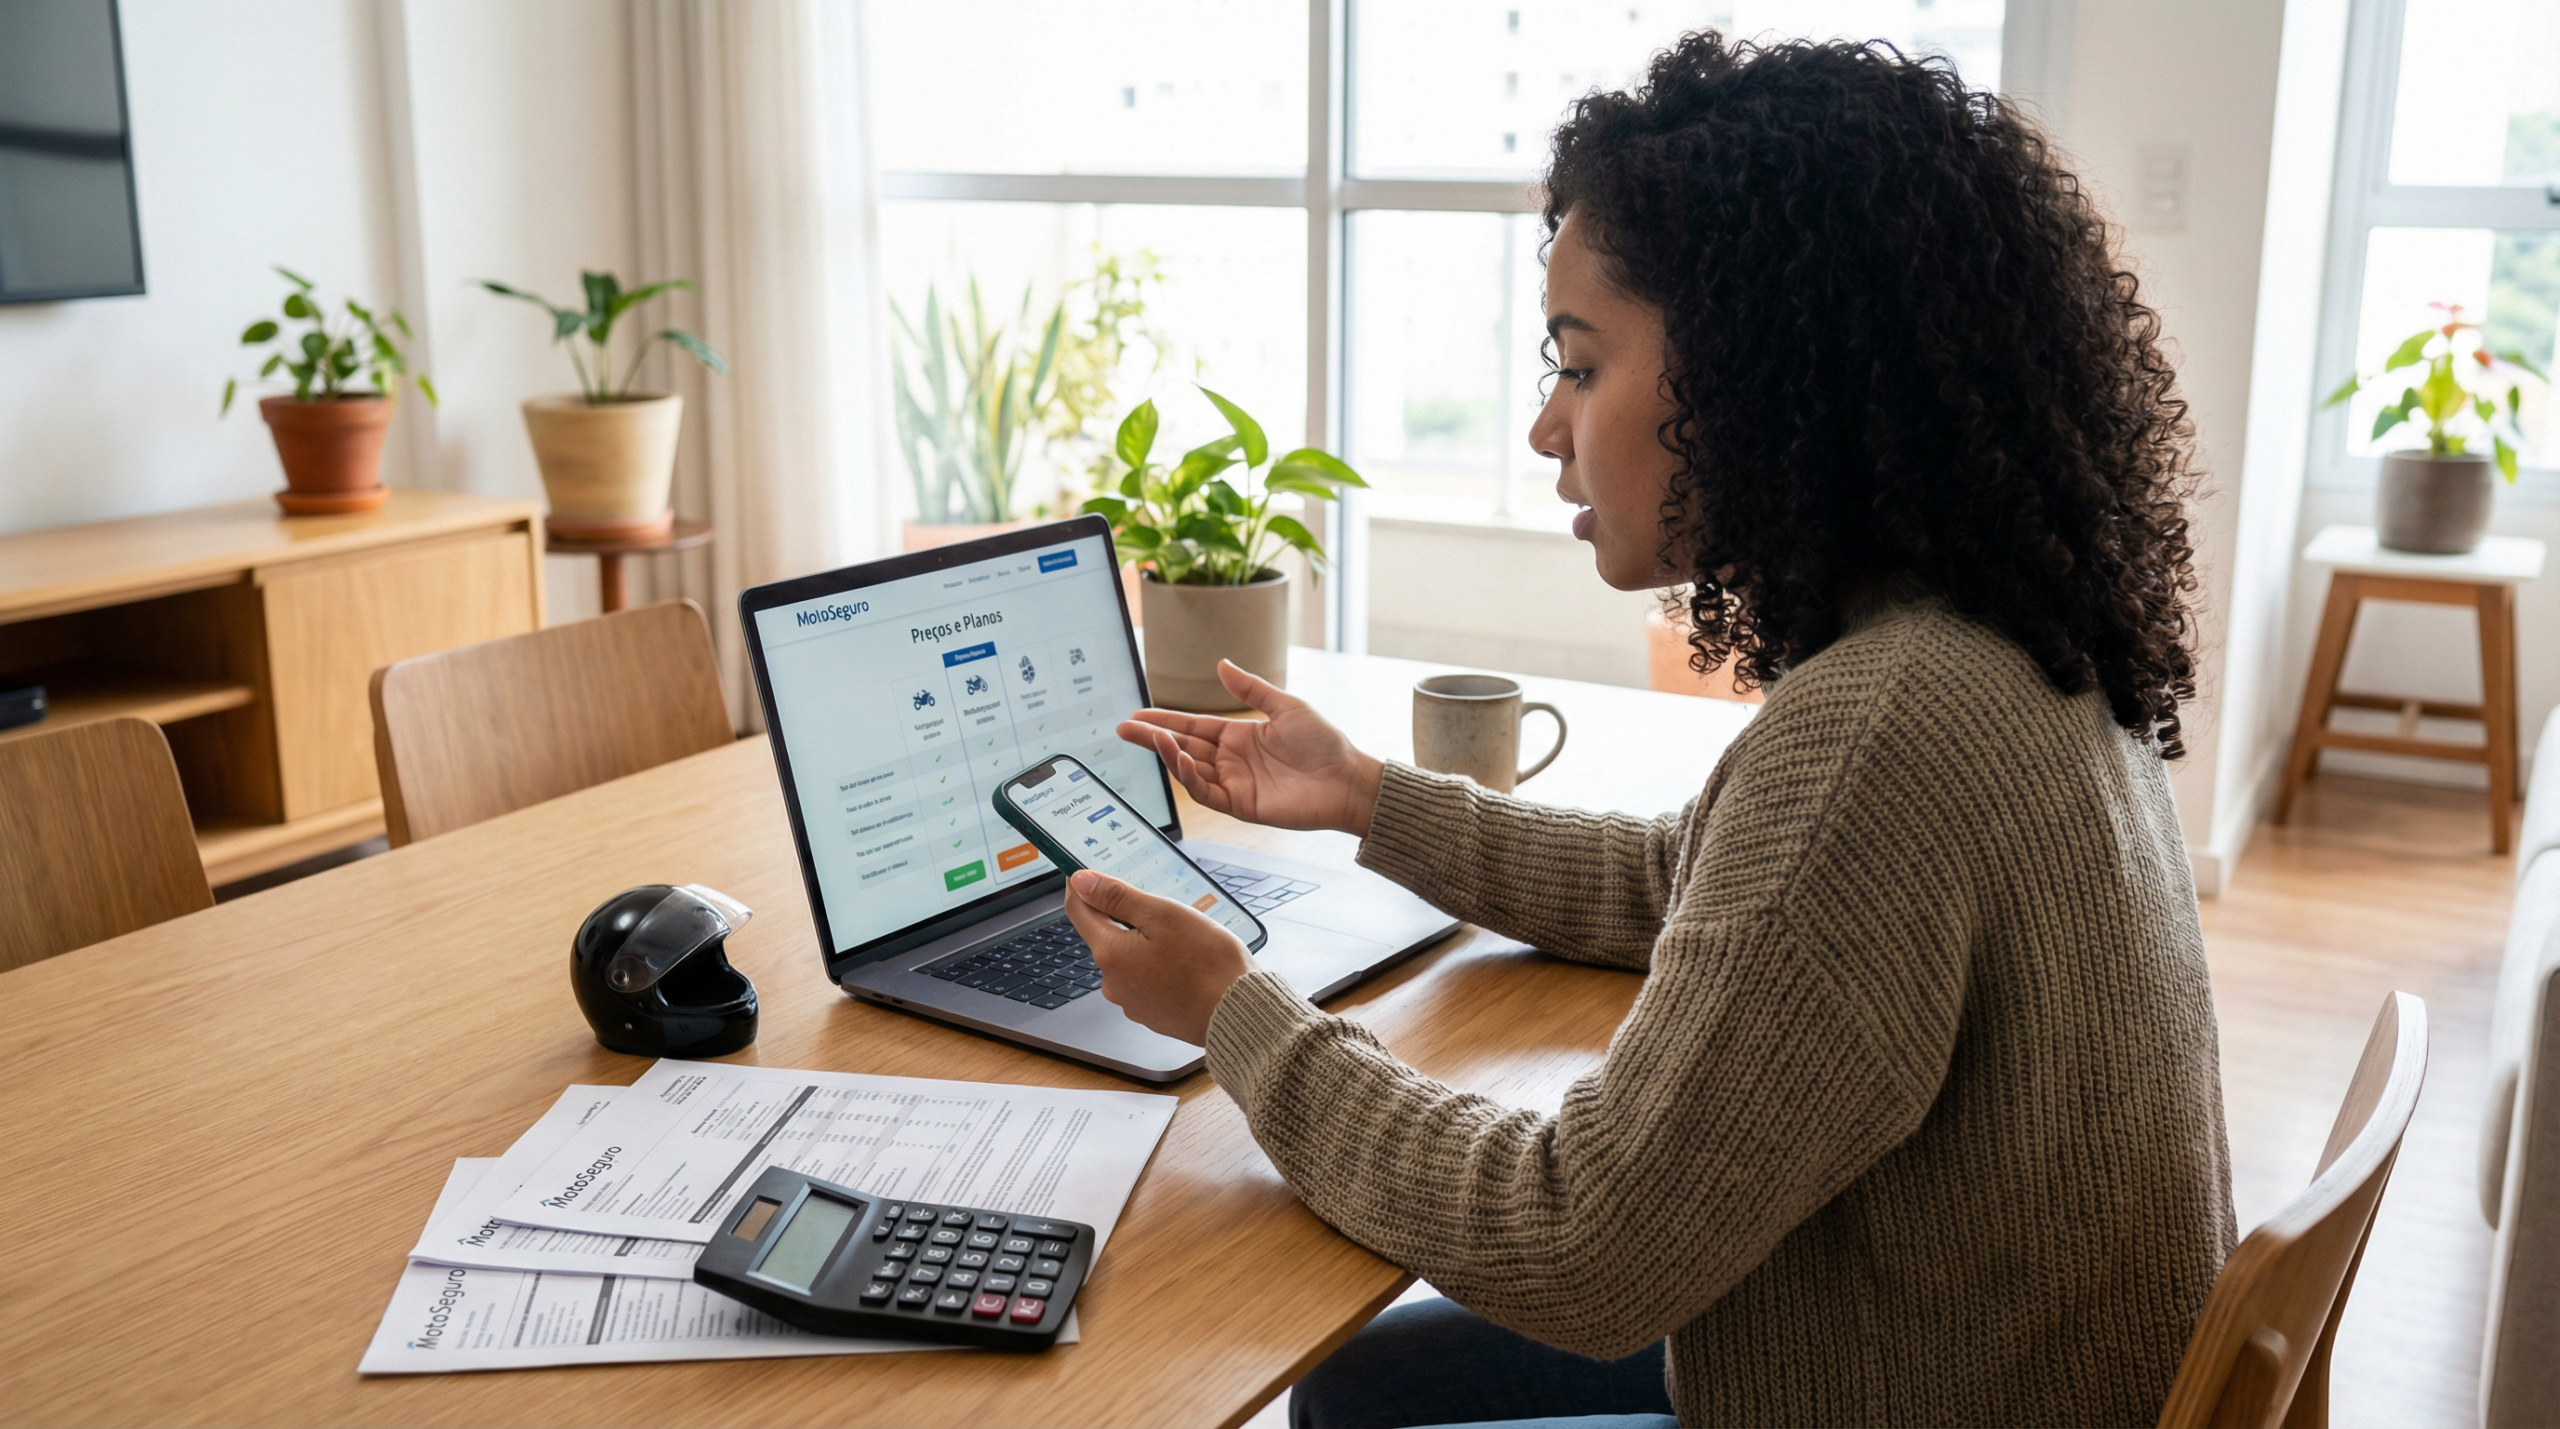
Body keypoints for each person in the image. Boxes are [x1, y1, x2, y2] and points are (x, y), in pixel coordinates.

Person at [1061, 32, 2234, 1429]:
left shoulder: (1883, 735)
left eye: (1582, 362)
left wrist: (1236, 1015)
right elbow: (1696, 880)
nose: (1548, 424)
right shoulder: (1993, 643)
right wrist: (1371, 796)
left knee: (1349, 1399)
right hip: (1977, 1352)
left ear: (1761, 370)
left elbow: (1576, 1244)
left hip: (1924, 1389)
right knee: (1366, 1384)